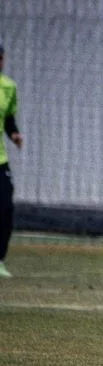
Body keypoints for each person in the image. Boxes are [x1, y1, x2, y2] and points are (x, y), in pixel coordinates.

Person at [0, 43, 23, 279]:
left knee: (6, 208)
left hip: (0, 160)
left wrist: (14, 134)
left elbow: (8, 118)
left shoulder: (8, 87)